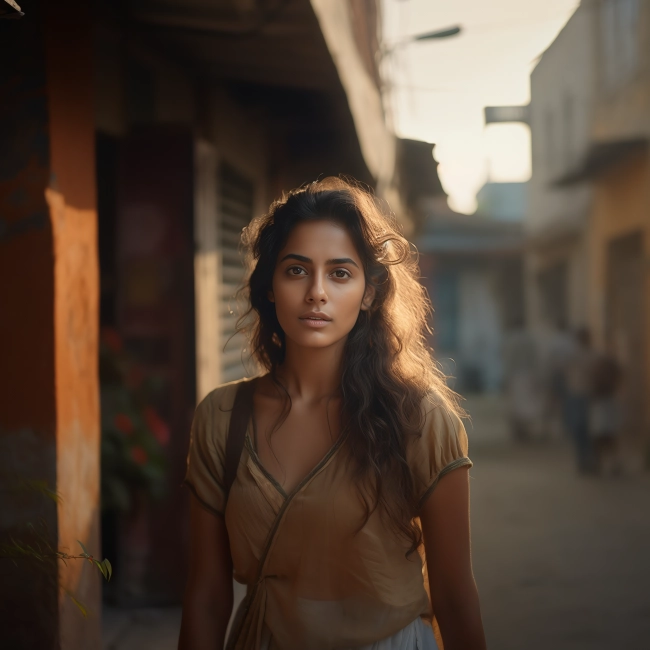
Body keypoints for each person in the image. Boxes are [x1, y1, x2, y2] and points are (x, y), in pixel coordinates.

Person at [178, 178, 486, 650]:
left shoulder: (419, 420)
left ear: (368, 293)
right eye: (297, 270)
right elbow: (205, 596)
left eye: (340, 273)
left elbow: (455, 594)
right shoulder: (222, 418)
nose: (316, 292)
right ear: (269, 287)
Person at [564, 327, 597, 473]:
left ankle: (586, 460)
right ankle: (586, 460)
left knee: (582, 429)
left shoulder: (576, 355)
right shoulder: (591, 355)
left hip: (581, 394)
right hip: (585, 394)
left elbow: (566, 372)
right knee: (585, 429)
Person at [589, 344, 623, 476]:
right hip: (603, 402)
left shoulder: (605, 366)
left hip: (605, 402)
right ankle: (606, 464)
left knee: (605, 436)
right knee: (603, 436)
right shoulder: (607, 366)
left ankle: (608, 464)